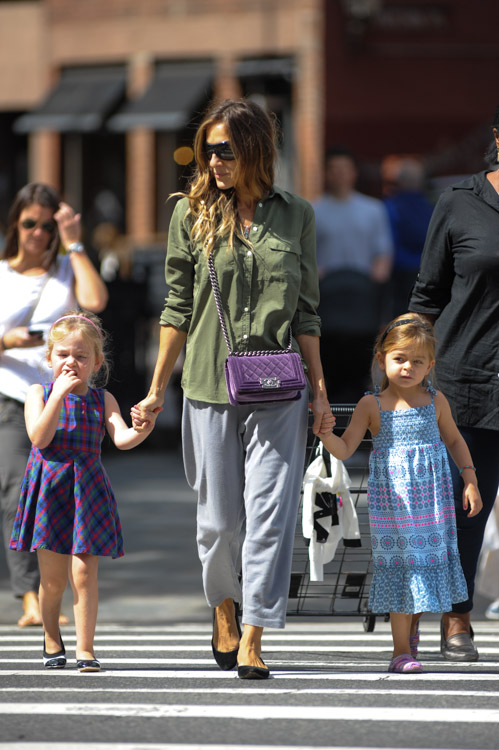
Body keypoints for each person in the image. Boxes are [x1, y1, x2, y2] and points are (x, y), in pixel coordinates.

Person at [133, 98, 333, 680]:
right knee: (220, 521)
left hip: (280, 388)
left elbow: (308, 314)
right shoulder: (190, 215)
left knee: (268, 516)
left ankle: (254, 633)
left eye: (225, 149)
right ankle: (224, 604)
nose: (214, 161)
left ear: (255, 150)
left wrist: (320, 393)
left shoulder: (297, 215)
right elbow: (174, 307)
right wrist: (154, 390)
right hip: (207, 384)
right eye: (207, 151)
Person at [318, 314, 482, 673]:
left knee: (424, 567)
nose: (408, 367)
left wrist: (469, 480)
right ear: (382, 359)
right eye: (400, 359)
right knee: (403, 570)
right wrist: (326, 434)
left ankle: (411, 630)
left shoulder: (436, 401)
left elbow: (454, 440)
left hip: (433, 502)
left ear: (430, 366)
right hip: (393, 506)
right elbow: (345, 449)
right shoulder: (370, 405)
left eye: (417, 361)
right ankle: (400, 651)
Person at [9, 312, 157, 671]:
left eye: (80, 356)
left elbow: (121, 438)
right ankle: (50, 636)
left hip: (85, 491)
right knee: (54, 580)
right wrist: (58, 395)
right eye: (62, 355)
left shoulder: (102, 400)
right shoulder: (38, 393)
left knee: (84, 574)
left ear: (97, 362)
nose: (71, 362)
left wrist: (143, 428)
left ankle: (85, 648)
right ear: (49, 358)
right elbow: (39, 438)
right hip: (50, 491)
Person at [409, 107, 499, 661]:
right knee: (469, 505)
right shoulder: (458, 202)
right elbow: (426, 298)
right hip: (469, 379)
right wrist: (406, 378)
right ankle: (457, 615)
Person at [0, 182, 108, 628]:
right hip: (12, 395)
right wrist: (7, 340)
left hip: (64, 402)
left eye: (48, 226)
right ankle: (29, 594)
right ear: (15, 224)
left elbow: (96, 301)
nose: (39, 234)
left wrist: (74, 242)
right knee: (15, 493)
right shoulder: (2, 272)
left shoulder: (67, 267)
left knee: (59, 497)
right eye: (30, 224)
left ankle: (47, 593)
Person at [313, 146, 394, 402]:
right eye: (333, 169)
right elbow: (305, 256)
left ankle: (362, 431)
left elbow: (383, 253)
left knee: (361, 372)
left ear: (354, 173)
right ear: (326, 173)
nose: (339, 175)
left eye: (344, 169)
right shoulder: (313, 210)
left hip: (362, 303)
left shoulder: (373, 210)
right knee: (328, 374)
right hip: (326, 304)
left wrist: (375, 283)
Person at [381, 157, 434, 317]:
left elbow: (388, 242)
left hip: (399, 274)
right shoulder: (432, 206)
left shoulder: (390, 206)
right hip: (425, 271)